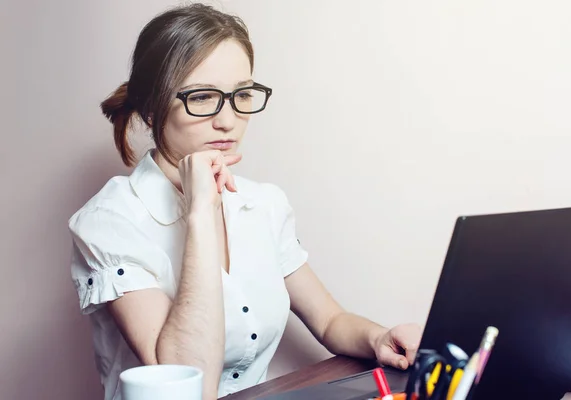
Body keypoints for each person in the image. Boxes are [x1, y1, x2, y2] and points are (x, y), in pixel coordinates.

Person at [68, 4, 422, 400]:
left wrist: (379, 338)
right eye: (202, 97)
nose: (228, 120)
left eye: (241, 95)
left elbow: (330, 320)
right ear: (151, 108)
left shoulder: (264, 203)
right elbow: (191, 382)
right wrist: (201, 211)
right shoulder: (110, 219)